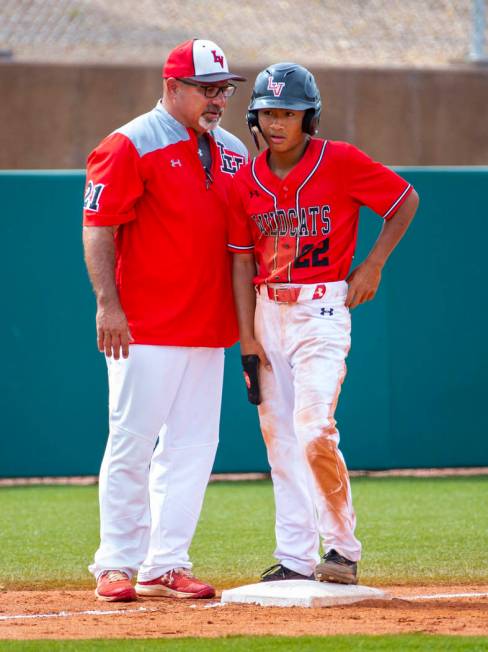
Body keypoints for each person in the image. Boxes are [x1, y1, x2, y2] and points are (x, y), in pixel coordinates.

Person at [229, 63, 419, 585]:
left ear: (308, 117)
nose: (276, 123)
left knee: (313, 430)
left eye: (287, 113)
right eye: (267, 113)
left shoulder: (339, 160)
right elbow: (242, 261)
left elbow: (404, 201)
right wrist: (247, 335)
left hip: (322, 310)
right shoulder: (246, 178)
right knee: (278, 440)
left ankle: (342, 550)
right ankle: (293, 555)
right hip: (268, 311)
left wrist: (374, 263)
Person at [82, 39, 247, 602]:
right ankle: (116, 563)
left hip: (210, 326)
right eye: (206, 88)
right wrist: (109, 304)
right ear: (171, 87)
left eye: (223, 88)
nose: (218, 99)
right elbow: (98, 226)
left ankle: (166, 562)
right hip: (144, 326)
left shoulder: (230, 149)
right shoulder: (130, 142)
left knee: (193, 451)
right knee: (131, 444)